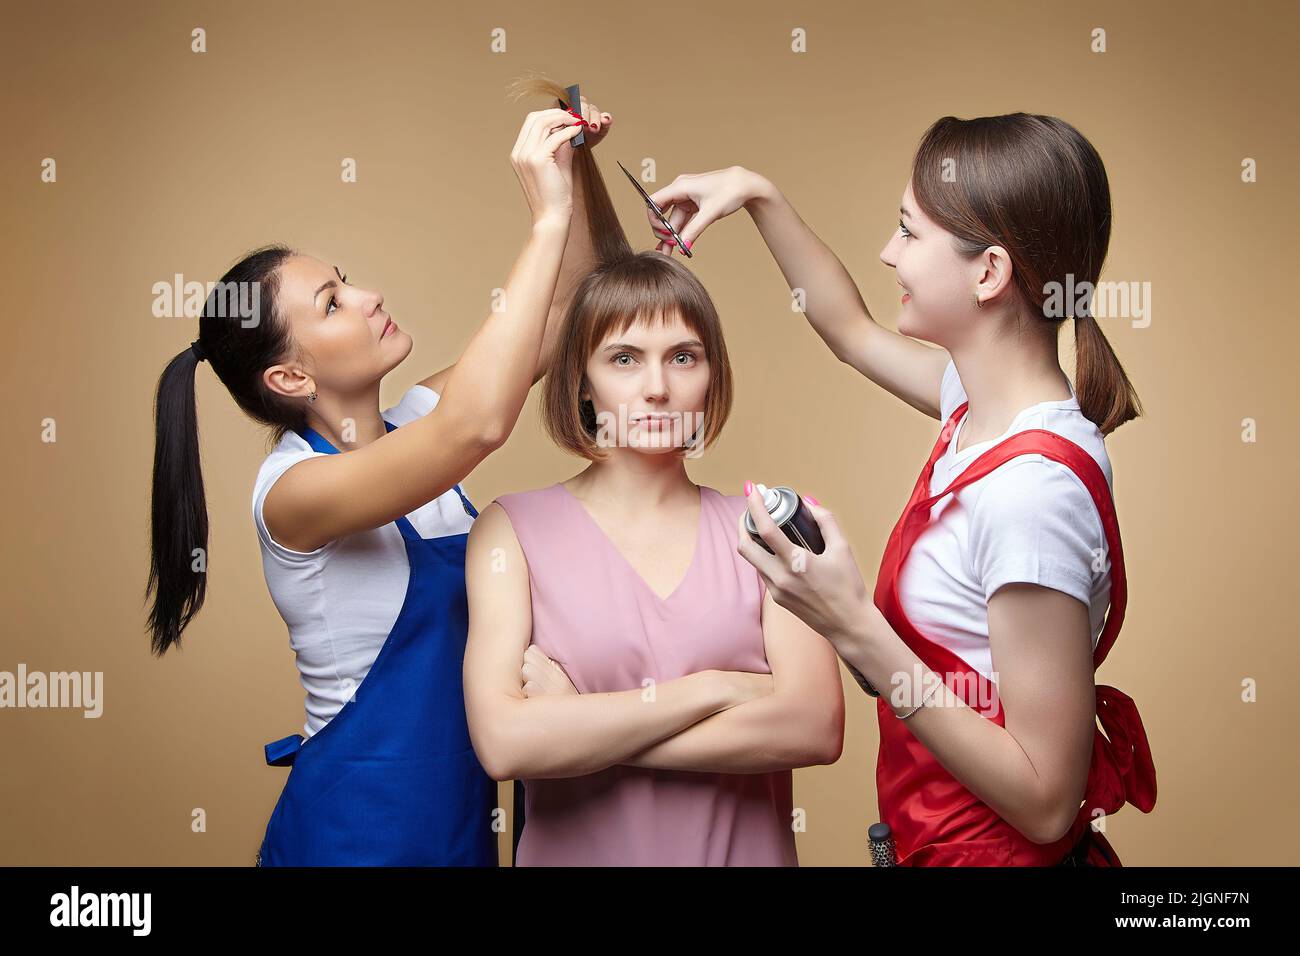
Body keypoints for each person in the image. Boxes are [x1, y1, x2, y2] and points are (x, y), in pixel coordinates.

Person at [646, 113, 1156, 865]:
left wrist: (854, 627)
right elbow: (848, 329)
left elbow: (1047, 802)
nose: (889, 254)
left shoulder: (1030, 495)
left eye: (909, 233)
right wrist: (757, 196)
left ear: (988, 273)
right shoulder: (980, 410)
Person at [145, 95, 614, 865]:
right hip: (354, 838)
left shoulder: (419, 418)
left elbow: (568, 306)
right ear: (291, 374)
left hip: (458, 831)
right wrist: (543, 221)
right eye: (334, 303)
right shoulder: (291, 494)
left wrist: (571, 161)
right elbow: (478, 426)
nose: (369, 298)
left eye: (348, 280)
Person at [460, 110, 845, 865]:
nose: (659, 389)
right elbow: (505, 743)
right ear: (583, 380)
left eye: (684, 356)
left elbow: (814, 728)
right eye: (626, 359)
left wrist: (581, 730)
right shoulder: (512, 532)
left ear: (712, 374)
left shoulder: (773, 526)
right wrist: (718, 689)